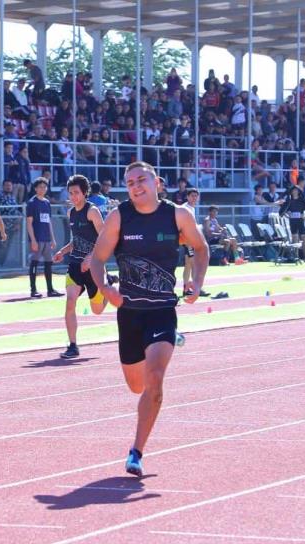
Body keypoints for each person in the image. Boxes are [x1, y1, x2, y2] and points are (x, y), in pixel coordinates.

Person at [88, 161, 208, 477]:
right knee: (136, 385)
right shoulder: (119, 217)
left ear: (156, 181)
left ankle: (136, 452)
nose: (136, 186)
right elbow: (98, 258)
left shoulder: (178, 214)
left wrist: (197, 281)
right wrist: (105, 288)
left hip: (162, 309)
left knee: (154, 379)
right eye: (130, 183)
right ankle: (164, 344)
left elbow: (201, 247)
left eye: (142, 180)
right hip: (129, 313)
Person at [53, 175, 109, 359]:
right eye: (70, 193)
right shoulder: (70, 213)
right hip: (76, 264)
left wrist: (92, 257)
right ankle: (73, 345)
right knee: (70, 301)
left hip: (93, 266)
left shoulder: (92, 212)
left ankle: (108, 286)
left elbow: (104, 238)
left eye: (76, 193)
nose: (73, 196)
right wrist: (63, 251)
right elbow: (75, 241)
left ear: (85, 193)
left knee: (97, 310)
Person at [26, 177, 61, 298]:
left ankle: (50, 289)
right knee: (34, 263)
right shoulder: (32, 203)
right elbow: (29, 223)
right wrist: (33, 240)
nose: (43, 189)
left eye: (45, 187)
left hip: (46, 238)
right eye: (40, 187)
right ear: (35, 188)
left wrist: (53, 238)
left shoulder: (46, 203)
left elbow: (49, 222)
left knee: (48, 263)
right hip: (37, 238)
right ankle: (33, 289)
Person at [279, 185, 305, 260]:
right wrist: (288, 215)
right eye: (293, 191)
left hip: (300, 221)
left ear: (298, 192)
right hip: (292, 221)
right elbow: (281, 212)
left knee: (304, 238)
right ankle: (296, 256)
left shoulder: (302, 200)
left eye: (296, 190)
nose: (295, 192)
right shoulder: (289, 201)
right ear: (291, 192)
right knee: (294, 238)